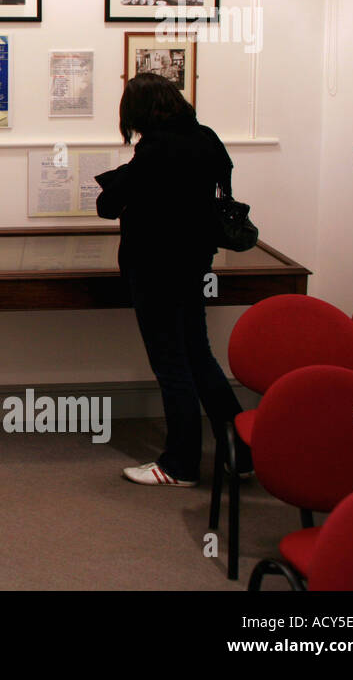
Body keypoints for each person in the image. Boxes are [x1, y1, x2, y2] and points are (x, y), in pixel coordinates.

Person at [95, 73, 251, 486]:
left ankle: (180, 464)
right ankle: (242, 452)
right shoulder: (206, 138)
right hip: (195, 264)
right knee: (199, 356)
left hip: (154, 269)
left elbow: (108, 206)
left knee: (171, 365)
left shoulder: (154, 148)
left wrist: (118, 179)